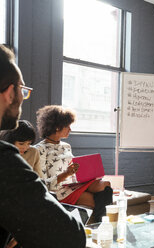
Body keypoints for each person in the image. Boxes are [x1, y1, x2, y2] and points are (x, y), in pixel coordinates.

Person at [0, 45, 86, 247]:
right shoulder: (3, 161)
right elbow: (69, 236)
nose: (23, 96)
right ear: (10, 93)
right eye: (23, 89)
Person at [35, 105, 113, 222]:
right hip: (59, 191)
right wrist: (66, 174)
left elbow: (74, 170)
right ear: (57, 127)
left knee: (105, 184)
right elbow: (43, 184)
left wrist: (87, 172)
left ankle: (102, 224)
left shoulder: (66, 146)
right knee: (94, 200)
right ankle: (101, 225)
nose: (70, 130)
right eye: (67, 126)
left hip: (74, 184)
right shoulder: (39, 149)